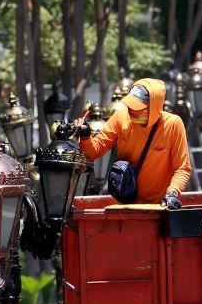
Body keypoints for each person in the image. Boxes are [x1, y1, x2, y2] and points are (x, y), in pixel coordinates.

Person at [73, 77, 191, 209]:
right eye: (130, 106)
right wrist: (85, 136)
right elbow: (92, 152)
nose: (131, 111)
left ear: (155, 107)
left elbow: (182, 168)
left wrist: (172, 193)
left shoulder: (173, 124)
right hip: (126, 206)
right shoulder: (121, 117)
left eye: (138, 108)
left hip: (160, 207)